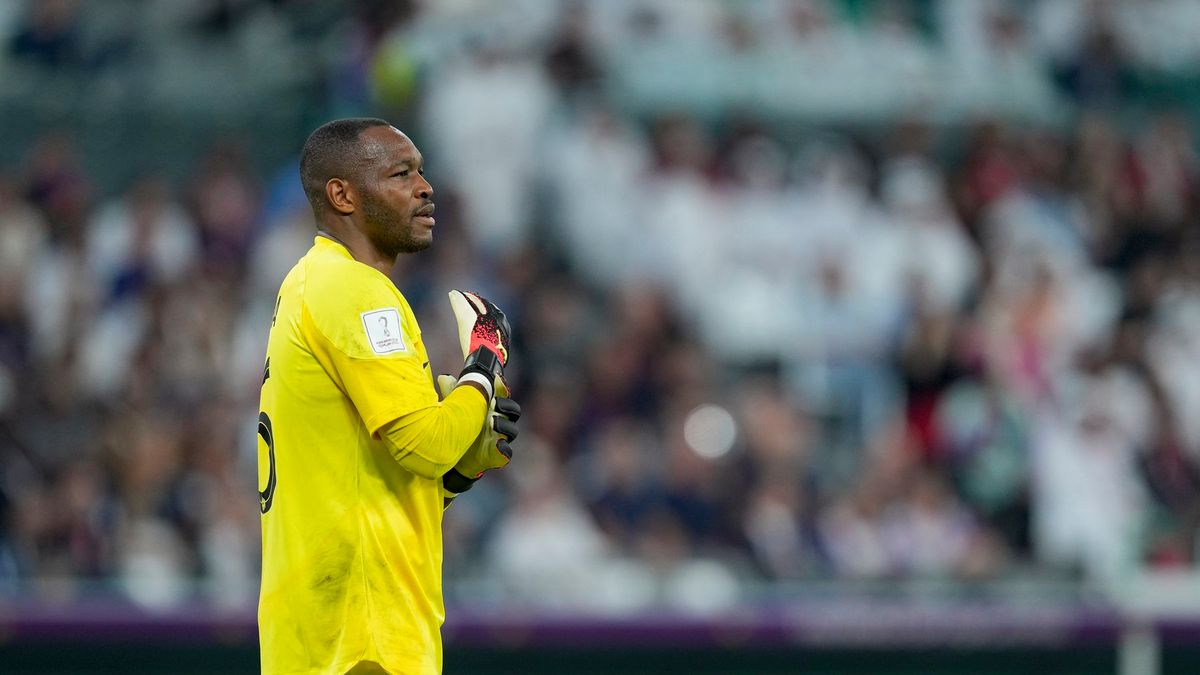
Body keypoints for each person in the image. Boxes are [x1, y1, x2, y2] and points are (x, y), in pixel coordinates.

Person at [256, 118, 521, 675]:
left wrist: (459, 473)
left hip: (325, 632)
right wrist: (483, 360)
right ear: (342, 195)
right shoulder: (355, 290)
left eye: (421, 172)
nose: (425, 188)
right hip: (365, 632)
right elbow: (425, 444)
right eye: (401, 174)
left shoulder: (312, 284)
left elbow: (366, 480)